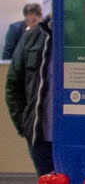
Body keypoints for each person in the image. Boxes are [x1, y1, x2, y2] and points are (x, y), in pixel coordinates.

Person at [5, 11, 52, 174]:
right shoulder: (32, 38)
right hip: (41, 138)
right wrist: (24, 125)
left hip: (77, 137)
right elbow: (14, 85)